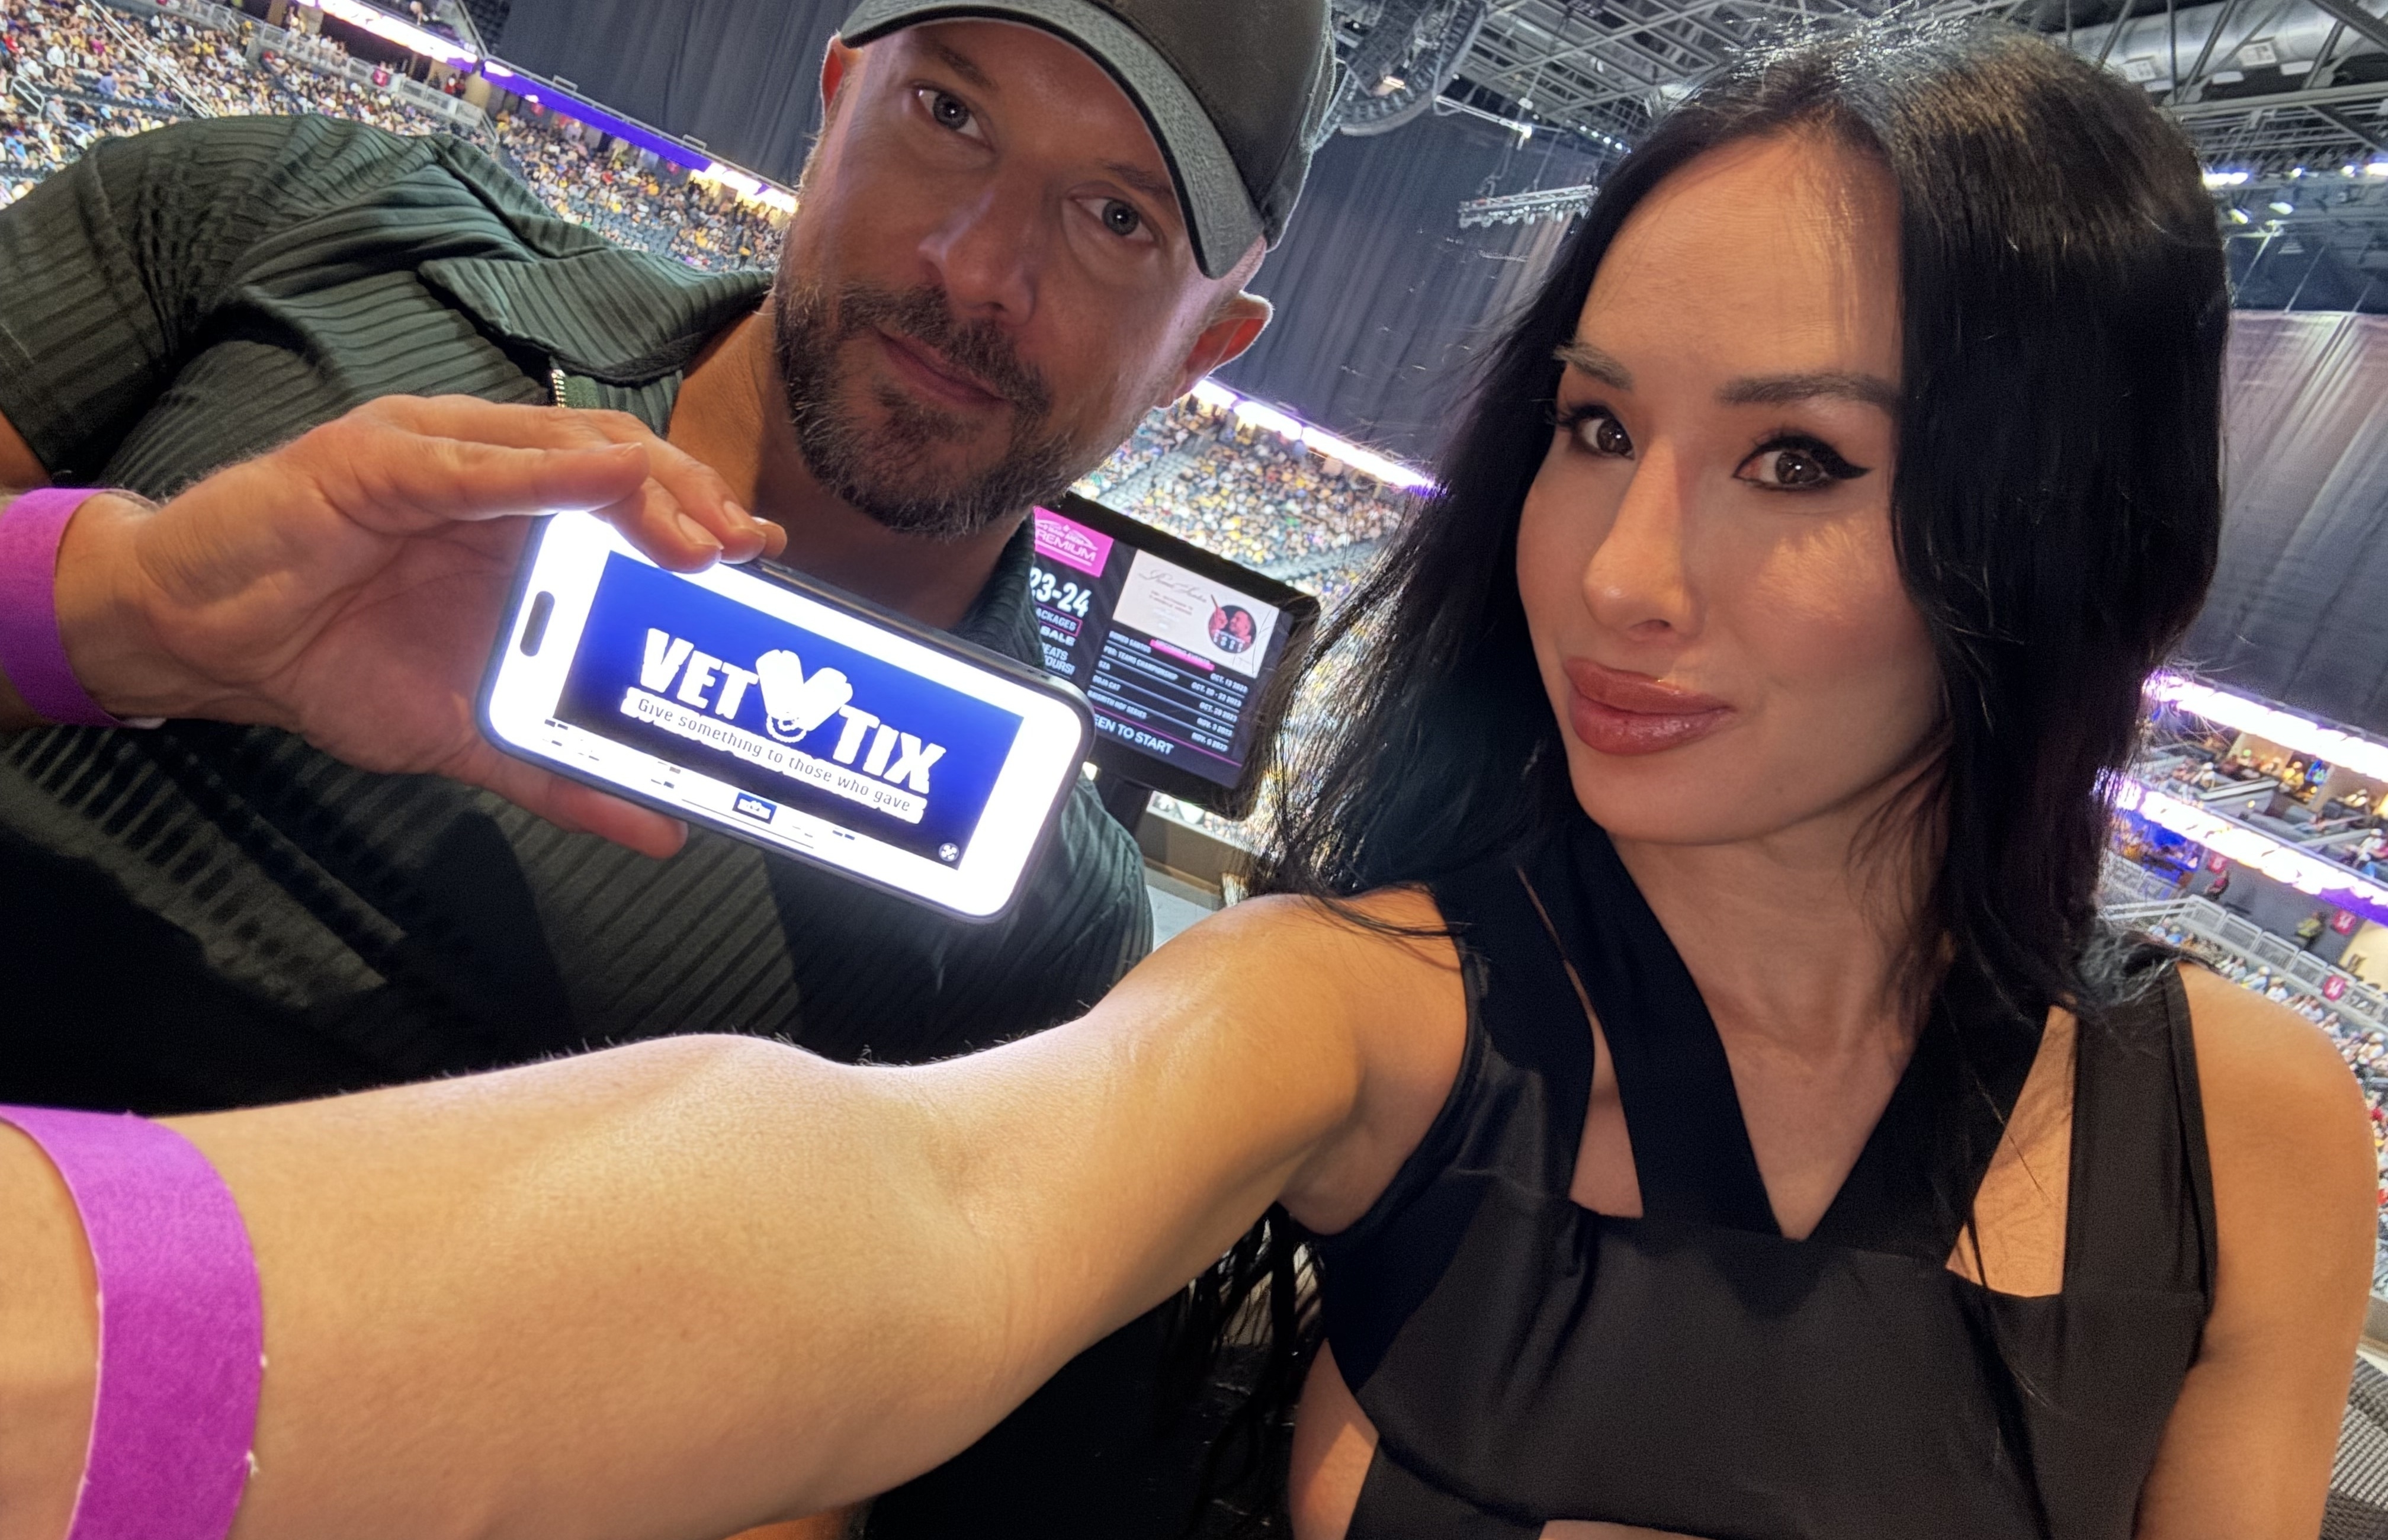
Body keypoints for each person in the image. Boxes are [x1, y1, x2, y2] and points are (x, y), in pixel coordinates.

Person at [0, 17, 2374, 1540]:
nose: (1625, 574)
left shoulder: (2246, 1128)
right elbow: (907, 1209)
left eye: (1798, 459)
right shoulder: (1352, 1004)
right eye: (1594, 427)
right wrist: (117, 609)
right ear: (834, 93)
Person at [0, 1, 1333, 1534]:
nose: (975, 265)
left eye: (1115, 218)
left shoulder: (1047, 920)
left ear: (1202, 351)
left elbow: (819, 1463)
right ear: (839, 95)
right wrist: (115, 610)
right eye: (951, 116)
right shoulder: (301, 220)